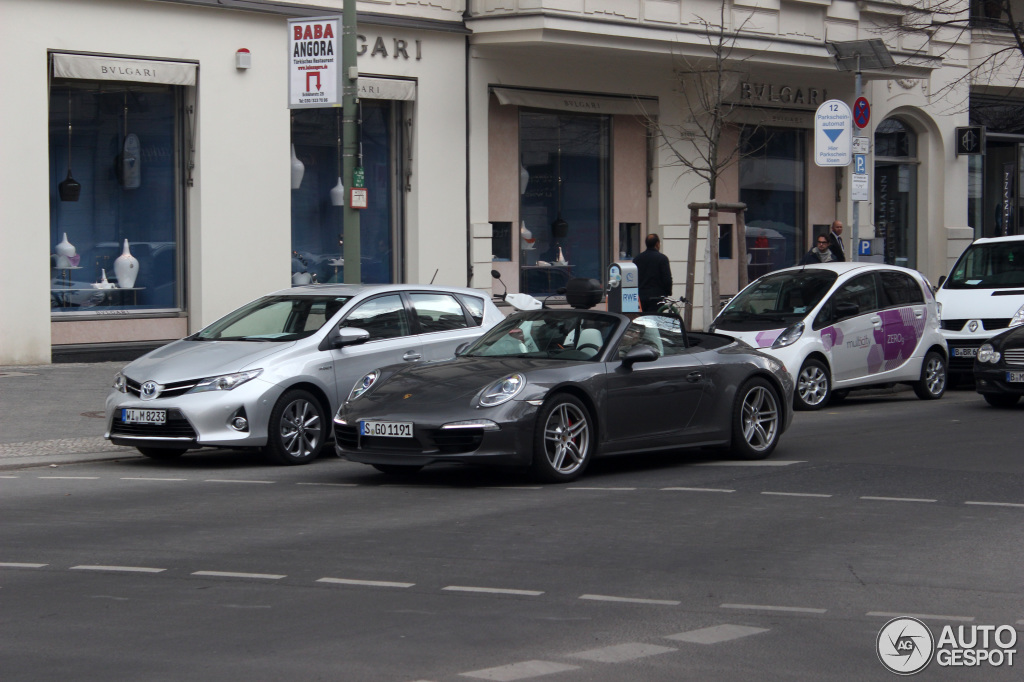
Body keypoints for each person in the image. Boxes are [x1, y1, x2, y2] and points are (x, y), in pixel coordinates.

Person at [633, 233, 673, 313]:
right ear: (657, 244)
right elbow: (667, 278)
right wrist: (668, 292)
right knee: (655, 319)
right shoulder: (662, 258)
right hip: (657, 296)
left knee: (644, 318)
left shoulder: (637, 259)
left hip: (642, 296)